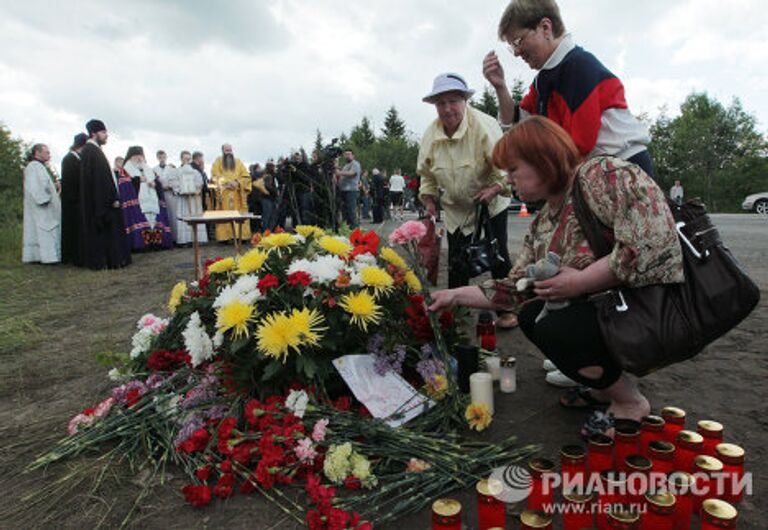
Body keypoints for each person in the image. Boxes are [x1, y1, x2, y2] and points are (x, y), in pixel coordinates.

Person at [429, 116, 684, 437]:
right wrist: (454, 295)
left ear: (542, 161)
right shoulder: (545, 221)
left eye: (513, 170)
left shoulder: (602, 176)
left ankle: (630, 402)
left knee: (556, 325)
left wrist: (580, 281)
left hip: (657, 307)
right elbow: (515, 289)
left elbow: (653, 240)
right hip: (616, 310)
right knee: (532, 314)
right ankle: (605, 386)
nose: (508, 181)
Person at [482, 0, 654, 177]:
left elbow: (578, 145)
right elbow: (517, 122)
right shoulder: (543, 79)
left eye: (518, 41)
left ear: (545, 28)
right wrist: (500, 87)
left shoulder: (579, 67)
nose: (516, 53)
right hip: (594, 171)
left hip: (623, 170)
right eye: (512, 47)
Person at [417, 72, 516, 328]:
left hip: (489, 204)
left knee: (497, 255)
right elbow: (426, 174)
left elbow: (505, 167)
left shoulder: (483, 126)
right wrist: (428, 198)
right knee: (457, 258)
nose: (448, 109)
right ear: (435, 106)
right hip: (455, 209)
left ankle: (507, 310)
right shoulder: (430, 135)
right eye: (441, 103)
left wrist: (495, 188)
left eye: (453, 101)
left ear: (465, 101)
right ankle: (456, 312)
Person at [80, 119, 130, 269]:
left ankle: (114, 259)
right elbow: (99, 181)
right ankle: (108, 261)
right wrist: (111, 199)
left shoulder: (95, 150)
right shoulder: (90, 151)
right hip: (102, 203)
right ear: (94, 134)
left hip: (103, 200)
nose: (106, 135)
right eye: (103, 132)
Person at [119, 146, 173, 251]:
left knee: (153, 222)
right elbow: (124, 185)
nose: (139, 158)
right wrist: (138, 180)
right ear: (130, 157)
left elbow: (158, 182)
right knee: (142, 221)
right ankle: (142, 246)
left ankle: (155, 244)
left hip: (152, 200)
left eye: (141, 156)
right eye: (136, 156)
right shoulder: (125, 170)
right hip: (137, 202)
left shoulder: (148, 169)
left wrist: (155, 184)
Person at [22, 144, 61, 264]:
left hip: (44, 208)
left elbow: (43, 185)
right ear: (37, 153)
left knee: (45, 231)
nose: (49, 155)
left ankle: (47, 256)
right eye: (47, 152)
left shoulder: (39, 167)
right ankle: (46, 257)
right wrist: (46, 198)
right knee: (43, 231)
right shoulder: (33, 167)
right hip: (41, 208)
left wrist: (54, 187)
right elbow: (36, 188)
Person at [210, 143, 252, 242]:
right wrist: (226, 183)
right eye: (226, 150)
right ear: (222, 151)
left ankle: (240, 236)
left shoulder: (238, 162)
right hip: (224, 194)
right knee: (224, 215)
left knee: (239, 214)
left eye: (230, 150)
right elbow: (214, 176)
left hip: (238, 194)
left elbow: (246, 176)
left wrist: (237, 182)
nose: (229, 152)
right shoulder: (217, 162)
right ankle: (225, 237)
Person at [60, 132, 88, 265]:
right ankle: (72, 257)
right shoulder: (69, 159)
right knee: (72, 229)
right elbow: (72, 181)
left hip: (76, 200)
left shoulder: (76, 158)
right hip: (72, 202)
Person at [172, 151, 208, 245]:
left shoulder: (195, 172)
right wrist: (181, 190)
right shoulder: (177, 171)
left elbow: (200, 183)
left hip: (194, 199)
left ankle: (198, 239)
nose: (187, 160)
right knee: (184, 217)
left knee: (195, 216)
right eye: (185, 158)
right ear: (181, 159)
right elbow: (174, 182)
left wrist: (195, 189)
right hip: (183, 200)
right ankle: (184, 240)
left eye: (189, 159)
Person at [154, 150, 180, 242]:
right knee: (163, 217)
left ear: (166, 157)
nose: (162, 159)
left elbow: (177, 182)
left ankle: (175, 238)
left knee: (173, 216)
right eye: (160, 157)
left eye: (163, 157)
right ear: (157, 158)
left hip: (170, 195)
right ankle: (165, 239)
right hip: (160, 196)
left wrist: (170, 186)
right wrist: (160, 187)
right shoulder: (154, 170)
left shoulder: (172, 169)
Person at [335, 149, 361, 228]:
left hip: (351, 191)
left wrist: (339, 172)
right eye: (345, 154)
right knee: (344, 212)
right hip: (343, 191)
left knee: (351, 212)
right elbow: (339, 176)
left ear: (353, 155)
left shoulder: (355, 164)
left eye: (349, 154)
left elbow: (352, 173)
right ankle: (347, 229)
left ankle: (355, 230)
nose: (347, 156)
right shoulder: (346, 166)